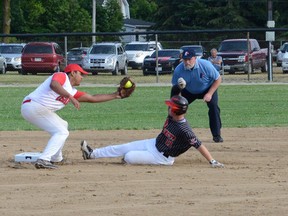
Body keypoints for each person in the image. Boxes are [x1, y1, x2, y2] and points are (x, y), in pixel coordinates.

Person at [21, 64, 124, 169]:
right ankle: (44, 159)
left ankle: (57, 158)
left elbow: (92, 98)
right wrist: (70, 97)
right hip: (33, 105)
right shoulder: (62, 76)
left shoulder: (71, 90)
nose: (82, 77)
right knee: (61, 132)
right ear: (73, 72)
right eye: (80, 74)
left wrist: (115, 95)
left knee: (63, 125)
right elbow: (54, 84)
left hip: (37, 108)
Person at [80, 95, 224, 168]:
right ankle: (92, 154)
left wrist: (212, 161)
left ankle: (131, 159)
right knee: (123, 147)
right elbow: (179, 103)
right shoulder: (172, 116)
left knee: (128, 157)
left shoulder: (185, 130)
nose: (168, 108)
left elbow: (199, 145)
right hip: (153, 143)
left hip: (162, 157)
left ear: (174, 110)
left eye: (170, 106)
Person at [171, 47, 223, 143]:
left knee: (214, 107)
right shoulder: (179, 69)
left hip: (207, 88)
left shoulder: (205, 65)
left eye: (189, 59)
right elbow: (174, 87)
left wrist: (209, 94)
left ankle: (217, 135)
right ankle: (173, 133)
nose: (187, 62)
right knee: (175, 108)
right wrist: (176, 101)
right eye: (185, 59)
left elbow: (218, 79)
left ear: (195, 58)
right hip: (189, 91)